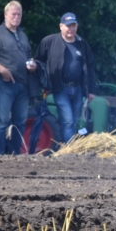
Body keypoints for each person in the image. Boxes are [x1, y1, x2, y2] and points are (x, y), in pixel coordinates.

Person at [36, 13, 98, 145]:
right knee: (68, 120)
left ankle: (68, 148)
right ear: (61, 26)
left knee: (74, 120)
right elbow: (38, 61)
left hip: (78, 88)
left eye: (73, 25)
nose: (71, 29)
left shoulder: (82, 44)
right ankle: (69, 150)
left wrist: (91, 90)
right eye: (68, 26)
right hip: (60, 88)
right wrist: (44, 82)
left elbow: (90, 68)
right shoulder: (50, 41)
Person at [0, 1, 35, 154]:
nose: (16, 17)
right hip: (5, 84)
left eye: (19, 15)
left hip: (23, 85)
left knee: (20, 122)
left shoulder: (22, 35)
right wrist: (2, 70)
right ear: (5, 15)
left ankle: (14, 155)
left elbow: (28, 57)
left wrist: (32, 65)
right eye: (13, 14)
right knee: (1, 122)